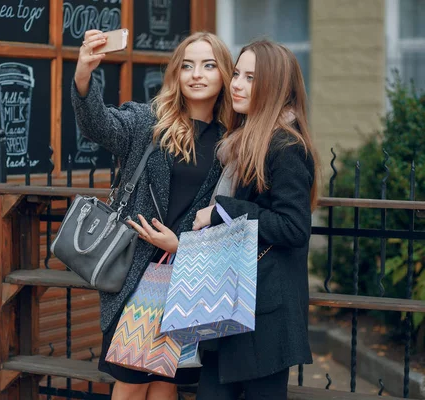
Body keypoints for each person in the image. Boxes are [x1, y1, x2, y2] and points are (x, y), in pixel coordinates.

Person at [72, 30, 234, 400]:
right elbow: (96, 124)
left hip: (187, 278)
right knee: (131, 383)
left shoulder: (231, 140)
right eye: (187, 66)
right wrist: (84, 75)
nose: (197, 74)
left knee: (165, 386)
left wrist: (182, 245)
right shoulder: (148, 122)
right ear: (176, 74)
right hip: (136, 273)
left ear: (223, 74)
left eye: (209, 65)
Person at [188, 39, 320, 400]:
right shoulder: (241, 143)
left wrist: (223, 210)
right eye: (236, 74)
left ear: (275, 87)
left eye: (251, 77)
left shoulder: (286, 148)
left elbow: (294, 227)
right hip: (228, 305)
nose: (237, 84)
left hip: (265, 318)